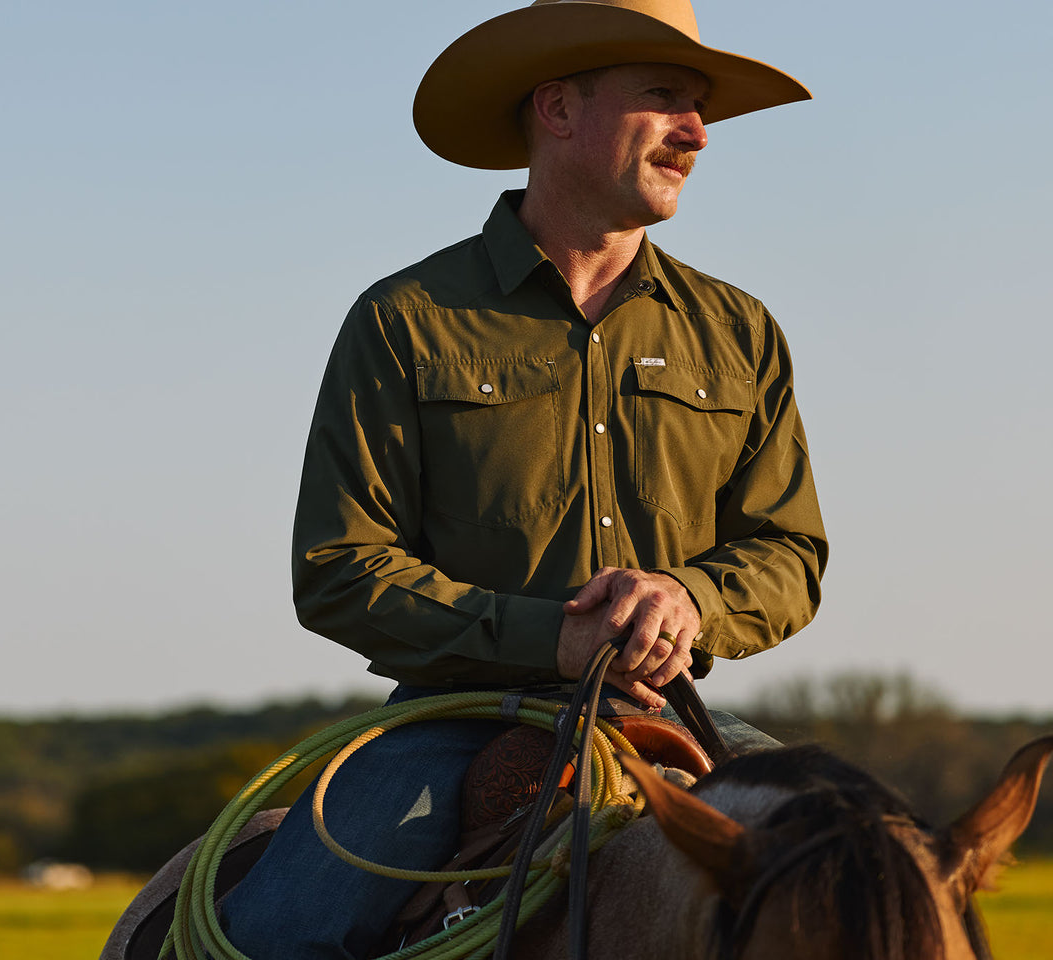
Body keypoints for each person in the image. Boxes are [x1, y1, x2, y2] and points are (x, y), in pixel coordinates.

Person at [220, 1, 829, 957]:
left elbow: (790, 552)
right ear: (557, 110)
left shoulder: (739, 331)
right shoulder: (406, 319)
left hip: (670, 710)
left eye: (700, 107)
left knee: (863, 866)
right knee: (280, 933)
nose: (699, 133)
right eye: (665, 97)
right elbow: (340, 566)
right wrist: (554, 636)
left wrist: (689, 598)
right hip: (455, 720)